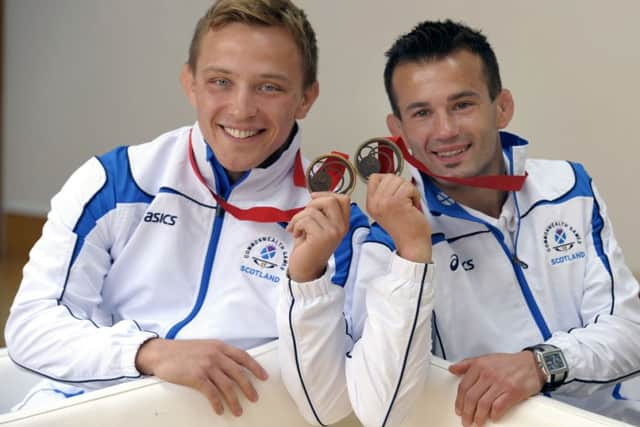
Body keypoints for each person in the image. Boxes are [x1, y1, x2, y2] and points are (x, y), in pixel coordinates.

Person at [4, 1, 435, 424]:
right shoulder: (116, 183)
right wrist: (150, 352)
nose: (241, 108)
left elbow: (329, 407)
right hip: (89, 410)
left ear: (306, 98)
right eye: (220, 81)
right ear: (189, 82)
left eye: (269, 87)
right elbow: (30, 328)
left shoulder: (337, 229)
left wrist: (308, 279)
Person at [378, 19, 640, 426]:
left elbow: (629, 332)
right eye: (422, 113)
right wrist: (410, 256)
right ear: (398, 130)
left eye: (462, 104)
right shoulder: (387, 232)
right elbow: (387, 403)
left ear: (502, 107)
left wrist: (539, 363)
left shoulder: (569, 186)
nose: (445, 130)